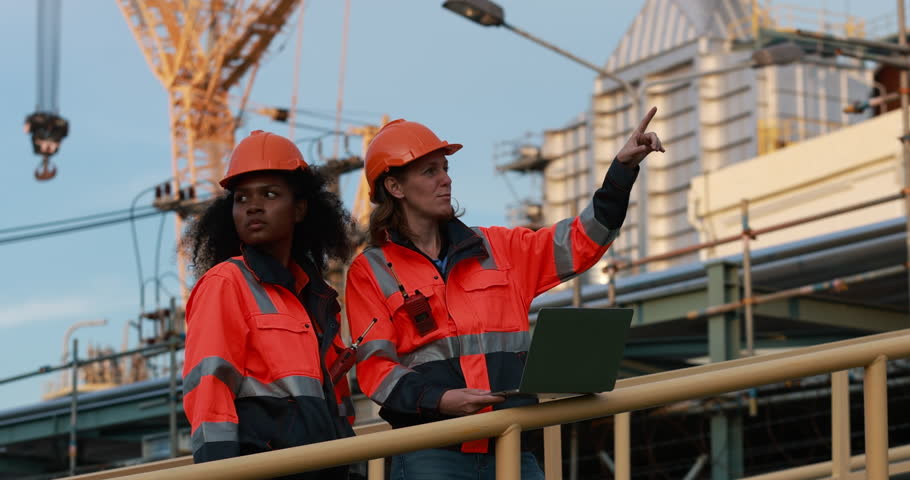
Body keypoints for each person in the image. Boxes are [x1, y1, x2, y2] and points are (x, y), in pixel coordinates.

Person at [344, 109, 663, 479]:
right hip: (431, 454)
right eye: (429, 171)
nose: (445, 180)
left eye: (445, 169)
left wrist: (621, 173)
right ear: (394, 188)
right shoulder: (371, 272)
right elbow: (376, 370)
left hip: (511, 444)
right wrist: (441, 400)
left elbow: (580, 241)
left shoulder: (497, 248)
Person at [182, 130, 356, 479]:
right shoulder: (225, 283)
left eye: (270, 194)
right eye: (242, 198)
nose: (253, 206)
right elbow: (210, 390)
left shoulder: (318, 298)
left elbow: (338, 402)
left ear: (301, 209)